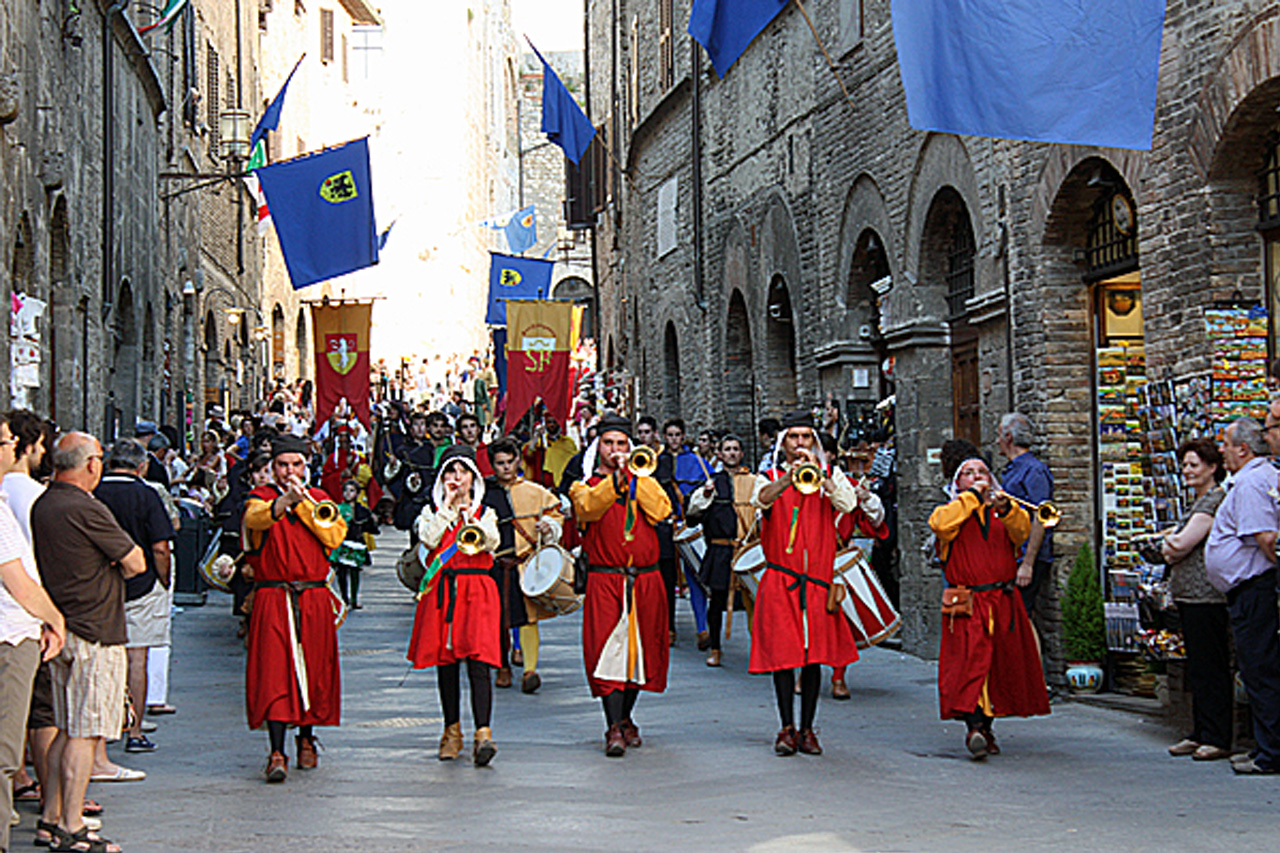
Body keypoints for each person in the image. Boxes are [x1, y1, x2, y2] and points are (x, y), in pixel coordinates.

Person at [31, 432, 146, 852]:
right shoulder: (84, 507)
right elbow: (135, 561)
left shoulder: (45, 502)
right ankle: (72, 826)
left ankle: (51, 817)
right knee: (84, 730)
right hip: (94, 628)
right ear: (91, 464)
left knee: (65, 726)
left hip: (62, 624)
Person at [750, 411, 860, 757]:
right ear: (783, 442)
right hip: (782, 579)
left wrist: (823, 475)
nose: (800, 444)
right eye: (793, 438)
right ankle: (786, 727)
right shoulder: (766, 475)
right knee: (784, 658)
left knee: (814, 658)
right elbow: (761, 500)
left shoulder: (831, 475)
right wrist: (788, 479)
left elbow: (848, 504)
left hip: (816, 582)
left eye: (806, 438)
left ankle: (809, 729)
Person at [929, 454, 1050, 759]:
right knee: (970, 665)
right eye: (968, 473)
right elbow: (940, 526)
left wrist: (1007, 509)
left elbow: (1022, 533)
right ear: (958, 483)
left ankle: (987, 726)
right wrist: (970, 497)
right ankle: (974, 727)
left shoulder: (1005, 510)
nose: (977, 477)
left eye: (982, 472)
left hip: (1000, 600)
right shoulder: (951, 510)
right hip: (968, 601)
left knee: (996, 665)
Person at [242, 435, 348, 783]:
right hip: (274, 596)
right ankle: (276, 750)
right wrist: (284, 500)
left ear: (306, 466)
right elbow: (255, 521)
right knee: (275, 670)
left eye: (296, 465)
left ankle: (306, 738)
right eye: (283, 465)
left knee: (314, 668)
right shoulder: (261, 499)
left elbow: (333, 536)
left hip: (313, 597)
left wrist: (301, 504)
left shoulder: (318, 499)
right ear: (273, 467)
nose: (290, 471)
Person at [569, 415, 672, 757]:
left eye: (622, 444)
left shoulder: (645, 481)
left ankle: (626, 715)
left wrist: (636, 476)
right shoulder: (584, 485)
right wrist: (616, 478)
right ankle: (613, 725)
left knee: (643, 650)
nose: (616, 450)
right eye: (609, 444)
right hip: (606, 579)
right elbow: (587, 508)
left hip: (645, 578)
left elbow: (661, 510)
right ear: (598, 447)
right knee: (606, 652)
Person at [406, 445, 501, 765]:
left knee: (480, 662)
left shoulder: (486, 512)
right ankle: (451, 731)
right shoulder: (431, 513)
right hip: (444, 592)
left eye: (463, 473)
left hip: (478, 592)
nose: (456, 479)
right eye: (450, 472)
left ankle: (483, 733)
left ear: (473, 479)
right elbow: (429, 540)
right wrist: (447, 508)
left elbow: (490, 541)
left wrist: (467, 514)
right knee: (445, 661)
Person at [0, 412, 65, 853]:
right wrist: (54, 618)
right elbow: (17, 578)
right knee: (5, 748)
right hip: (11, 633)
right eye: (4, 441)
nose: (9, 447)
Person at [1204, 417, 1280, 775]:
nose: (1221, 450)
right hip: (1248, 589)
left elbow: (1266, 540)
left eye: (1226, 443)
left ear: (1244, 448)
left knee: (1260, 669)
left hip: (1255, 590)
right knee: (1255, 669)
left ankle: (1271, 753)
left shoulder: (1251, 484)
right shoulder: (1250, 480)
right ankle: (1263, 746)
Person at [93, 439, 176, 755]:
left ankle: (104, 729)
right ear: (141, 466)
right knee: (136, 658)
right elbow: (160, 545)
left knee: (102, 658)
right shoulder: (146, 495)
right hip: (141, 584)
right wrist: (164, 579)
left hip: (102, 586)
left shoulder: (95, 493)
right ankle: (135, 730)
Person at [1157, 438, 1230, 761]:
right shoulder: (1196, 503)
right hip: (1189, 595)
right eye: (1184, 465)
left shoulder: (1213, 502)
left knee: (1210, 666)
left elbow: (1180, 544)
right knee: (1197, 667)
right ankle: (1201, 730)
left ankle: (1217, 734)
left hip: (1206, 596)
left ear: (1212, 468)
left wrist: (1169, 542)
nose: (1186, 471)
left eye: (1193, 465)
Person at [482, 439, 563, 692]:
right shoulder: (483, 491)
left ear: (518, 460)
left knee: (528, 618)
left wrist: (548, 526)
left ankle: (530, 670)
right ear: (493, 465)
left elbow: (556, 513)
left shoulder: (535, 491)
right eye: (500, 464)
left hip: (524, 564)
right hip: (494, 564)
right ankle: (502, 666)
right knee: (496, 620)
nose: (506, 468)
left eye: (510, 462)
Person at [686, 433, 757, 667]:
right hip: (720, 550)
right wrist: (706, 494)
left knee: (754, 602)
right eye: (727, 449)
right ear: (720, 454)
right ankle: (715, 648)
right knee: (716, 601)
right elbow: (693, 514)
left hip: (746, 549)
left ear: (742, 453)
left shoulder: (753, 481)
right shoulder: (712, 482)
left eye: (736, 449)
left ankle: (759, 651)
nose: (732, 453)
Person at [659, 418, 713, 649]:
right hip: (665, 525)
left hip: (691, 525)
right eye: (669, 434)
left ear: (683, 436)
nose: (673, 439)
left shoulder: (696, 462)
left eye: (677, 434)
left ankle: (702, 627)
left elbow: (709, 485)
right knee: (667, 578)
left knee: (696, 576)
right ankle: (668, 626)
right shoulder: (657, 461)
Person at [996, 413, 1054, 617]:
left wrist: (1028, 564)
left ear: (1008, 437)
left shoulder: (1033, 471)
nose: (997, 441)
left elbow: (1042, 516)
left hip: (1027, 557)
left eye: (999, 435)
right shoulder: (1013, 469)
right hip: (1013, 555)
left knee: (1021, 616)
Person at [330, 480, 379, 610]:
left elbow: (370, 527)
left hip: (356, 542)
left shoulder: (362, 510)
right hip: (342, 543)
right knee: (342, 573)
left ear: (357, 493)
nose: (348, 494)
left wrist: (373, 521)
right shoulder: (338, 509)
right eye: (346, 490)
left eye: (351, 491)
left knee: (355, 572)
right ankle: (344, 598)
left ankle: (354, 599)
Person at [523, 415, 577, 490]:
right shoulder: (539, 442)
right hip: (543, 485)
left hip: (563, 485)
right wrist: (537, 436)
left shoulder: (567, 442)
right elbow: (528, 454)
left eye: (554, 422)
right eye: (549, 422)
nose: (552, 425)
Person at [456, 413, 492, 478]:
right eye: (465, 427)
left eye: (472, 426)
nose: (469, 431)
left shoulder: (489, 451)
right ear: (460, 432)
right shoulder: (455, 453)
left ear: (479, 429)